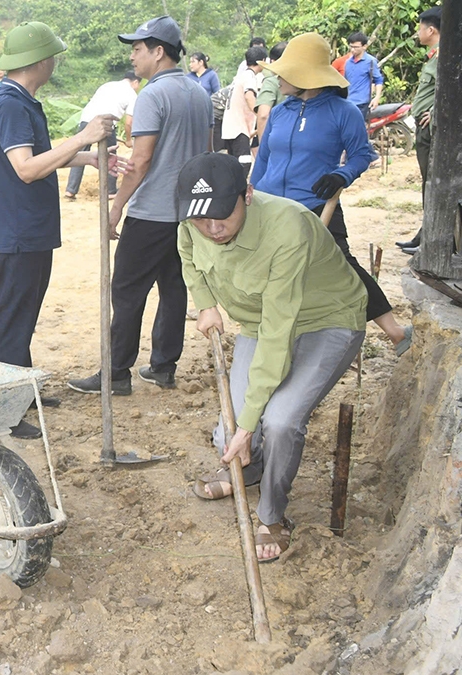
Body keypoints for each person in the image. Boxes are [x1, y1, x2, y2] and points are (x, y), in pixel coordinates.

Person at [177, 152, 366, 562]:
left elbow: (280, 334)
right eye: (201, 220)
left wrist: (249, 425)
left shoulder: (288, 228)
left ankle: (272, 515)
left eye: (222, 217)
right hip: (261, 321)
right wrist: (205, 302)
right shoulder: (194, 221)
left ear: (247, 194)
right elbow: (188, 254)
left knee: (277, 421)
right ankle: (248, 468)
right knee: (230, 432)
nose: (212, 229)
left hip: (326, 319)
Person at [0, 21, 119, 438]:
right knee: (10, 319)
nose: (56, 63)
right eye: (54, 57)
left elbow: (38, 156)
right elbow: (26, 169)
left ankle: (20, 391)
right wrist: (83, 139)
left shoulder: (19, 101)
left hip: (27, 230)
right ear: (40, 62)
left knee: (23, 315)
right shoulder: (9, 106)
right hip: (17, 232)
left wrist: (88, 160)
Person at [68, 16, 213, 396]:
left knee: (127, 290)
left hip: (151, 213)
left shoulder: (151, 95)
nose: (132, 57)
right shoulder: (199, 91)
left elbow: (142, 159)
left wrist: (116, 207)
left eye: (137, 49)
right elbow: (207, 154)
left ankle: (116, 373)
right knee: (173, 287)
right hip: (188, 213)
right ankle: (163, 367)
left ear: (158, 52)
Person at [253, 32, 412, 355]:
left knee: (343, 265)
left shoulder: (344, 112)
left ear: (304, 75)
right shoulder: (281, 112)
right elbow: (264, 159)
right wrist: (249, 192)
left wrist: (341, 175)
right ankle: (277, 342)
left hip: (315, 206)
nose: (279, 78)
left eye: (286, 71)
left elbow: (361, 156)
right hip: (269, 208)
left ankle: (396, 332)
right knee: (273, 276)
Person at [396, 6, 441, 255]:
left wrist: (435, 112)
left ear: (431, 29)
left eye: (420, 28)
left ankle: (432, 239)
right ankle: (426, 234)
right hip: (425, 130)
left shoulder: (446, 57)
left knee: (433, 185)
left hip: (433, 130)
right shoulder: (435, 56)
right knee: (428, 184)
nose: (417, 33)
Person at [65, 71, 140, 200]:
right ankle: (110, 191)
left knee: (80, 154)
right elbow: (129, 123)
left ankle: (71, 190)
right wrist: (128, 140)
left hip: (86, 120)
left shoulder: (107, 85)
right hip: (105, 124)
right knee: (110, 155)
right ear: (135, 82)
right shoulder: (131, 94)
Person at [221, 46, 267, 169]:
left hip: (230, 127)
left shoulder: (240, 77)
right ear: (262, 61)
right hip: (238, 129)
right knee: (244, 164)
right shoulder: (249, 76)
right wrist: (260, 113)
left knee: (233, 164)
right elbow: (249, 96)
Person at [253, 42, 288, 145]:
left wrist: (263, 149)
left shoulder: (271, 82)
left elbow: (263, 115)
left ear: (272, 61)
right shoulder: (303, 83)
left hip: (277, 139)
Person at [343, 32, 384, 118]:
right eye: (351, 46)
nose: (352, 50)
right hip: (348, 102)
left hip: (362, 104)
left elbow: (378, 80)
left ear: (364, 46)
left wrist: (377, 98)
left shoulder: (370, 61)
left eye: (356, 47)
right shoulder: (348, 62)